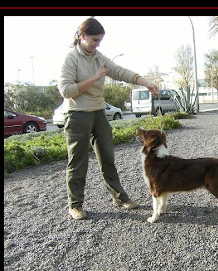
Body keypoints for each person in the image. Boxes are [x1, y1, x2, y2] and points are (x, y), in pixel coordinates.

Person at [58, 17, 159, 220]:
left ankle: (119, 197)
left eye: (100, 41)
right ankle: (75, 204)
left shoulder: (99, 57)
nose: (97, 44)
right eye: (94, 40)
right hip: (77, 115)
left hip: (98, 113)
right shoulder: (70, 59)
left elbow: (121, 72)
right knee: (78, 161)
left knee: (108, 158)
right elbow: (66, 90)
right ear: (82, 36)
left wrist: (146, 82)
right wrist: (95, 78)